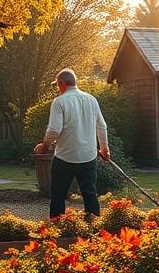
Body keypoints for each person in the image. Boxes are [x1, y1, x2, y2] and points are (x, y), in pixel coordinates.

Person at [33, 68, 110, 219]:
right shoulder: (91, 99)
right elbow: (101, 125)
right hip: (88, 157)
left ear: (61, 83)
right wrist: (104, 148)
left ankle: (57, 229)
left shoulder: (59, 102)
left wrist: (44, 146)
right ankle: (94, 230)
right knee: (90, 194)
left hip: (65, 158)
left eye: (57, 85)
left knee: (58, 196)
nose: (57, 88)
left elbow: (54, 130)